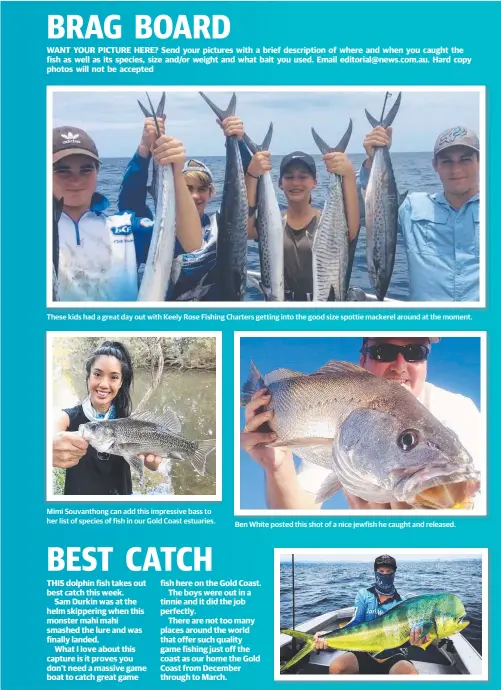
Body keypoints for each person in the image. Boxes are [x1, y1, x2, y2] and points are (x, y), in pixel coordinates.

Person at [240, 336, 481, 509]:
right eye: (383, 352)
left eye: (415, 352)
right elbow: (297, 514)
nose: (399, 366)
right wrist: (277, 466)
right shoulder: (353, 426)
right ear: (362, 361)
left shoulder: (458, 411)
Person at [53, 125, 201, 301]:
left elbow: (191, 244)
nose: (75, 179)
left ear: (97, 172)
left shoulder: (126, 228)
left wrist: (175, 174)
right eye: (62, 170)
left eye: (86, 169)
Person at [118, 114, 251, 301]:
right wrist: (144, 150)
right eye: (187, 189)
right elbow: (129, 205)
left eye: (202, 189)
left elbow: (247, 193)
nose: (195, 196)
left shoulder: (222, 226)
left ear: (211, 193)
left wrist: (238, 141)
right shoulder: (158, 232)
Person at [359, 125, 479, 301]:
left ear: (481, 161)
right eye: (446, 161)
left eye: (465, 159)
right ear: (435, 165)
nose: (456, 169)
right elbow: (363, 212)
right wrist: (372, 159)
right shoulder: (411, 208)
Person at [245, 149, 360, 300]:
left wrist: (349, 176)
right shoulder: (271, 224)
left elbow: (353, 231)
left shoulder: (328, 223)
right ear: (280, 183)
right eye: (289, 177)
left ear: (314, 182)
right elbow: (244, 230)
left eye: (303, 177)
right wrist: (252, 175)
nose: (296, 182)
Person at [52, 341, 162, 495]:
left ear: (121, 382)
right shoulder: (67, 418)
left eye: (114, 377)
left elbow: (151, 465)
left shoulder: (130, 422)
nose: (104, 384)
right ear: (88, 376)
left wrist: (152, 463)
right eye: (97, 374)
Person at [313, 555, 427, 675]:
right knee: (337, 668)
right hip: (365, 650)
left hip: (393, 653)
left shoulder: (402, 603)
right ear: (375, 572)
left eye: (389, 571)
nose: (385, 574)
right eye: (381, 571)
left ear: (394, 573)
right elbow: (355, 622)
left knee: (411, 675)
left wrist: (419, 639)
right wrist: (328, 635)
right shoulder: (364, 595)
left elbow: (408, 634)